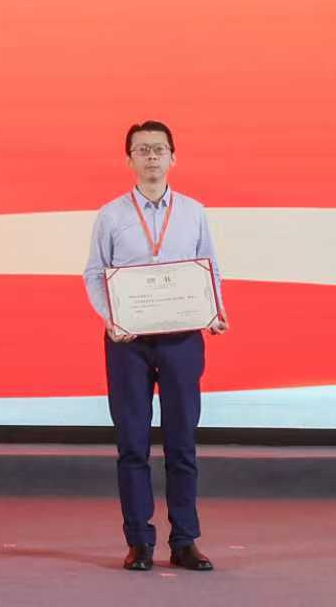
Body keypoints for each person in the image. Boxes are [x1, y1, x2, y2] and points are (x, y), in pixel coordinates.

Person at [84, 119, 227, 573]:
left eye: (158, 149)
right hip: (128, 342)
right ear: (129, 159)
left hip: (182, 340)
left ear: (172, 158)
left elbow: (209, 267)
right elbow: (95, 273)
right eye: (142, 150)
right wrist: (111, 320)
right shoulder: (111, 215)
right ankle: (139, 542)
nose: (151, 157)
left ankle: (184, 540)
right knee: (132, 443)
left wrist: (215, 311)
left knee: (182, 443)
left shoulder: (193, 212)